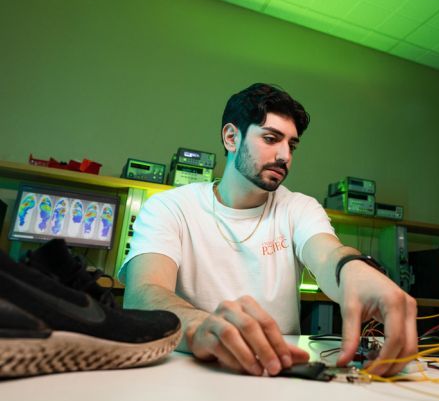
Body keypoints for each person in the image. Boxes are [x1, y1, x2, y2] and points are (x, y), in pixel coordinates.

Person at [120, 83, 417, 377]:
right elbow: (143, 294)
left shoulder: (298, 207)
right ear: (231, 138)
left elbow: (329, 256)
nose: (285, 155)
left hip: (279, 374)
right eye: (271, 138)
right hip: (188, 372)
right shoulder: (170, 207)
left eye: (291, 145)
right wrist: (201, 326)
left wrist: (352, 267)